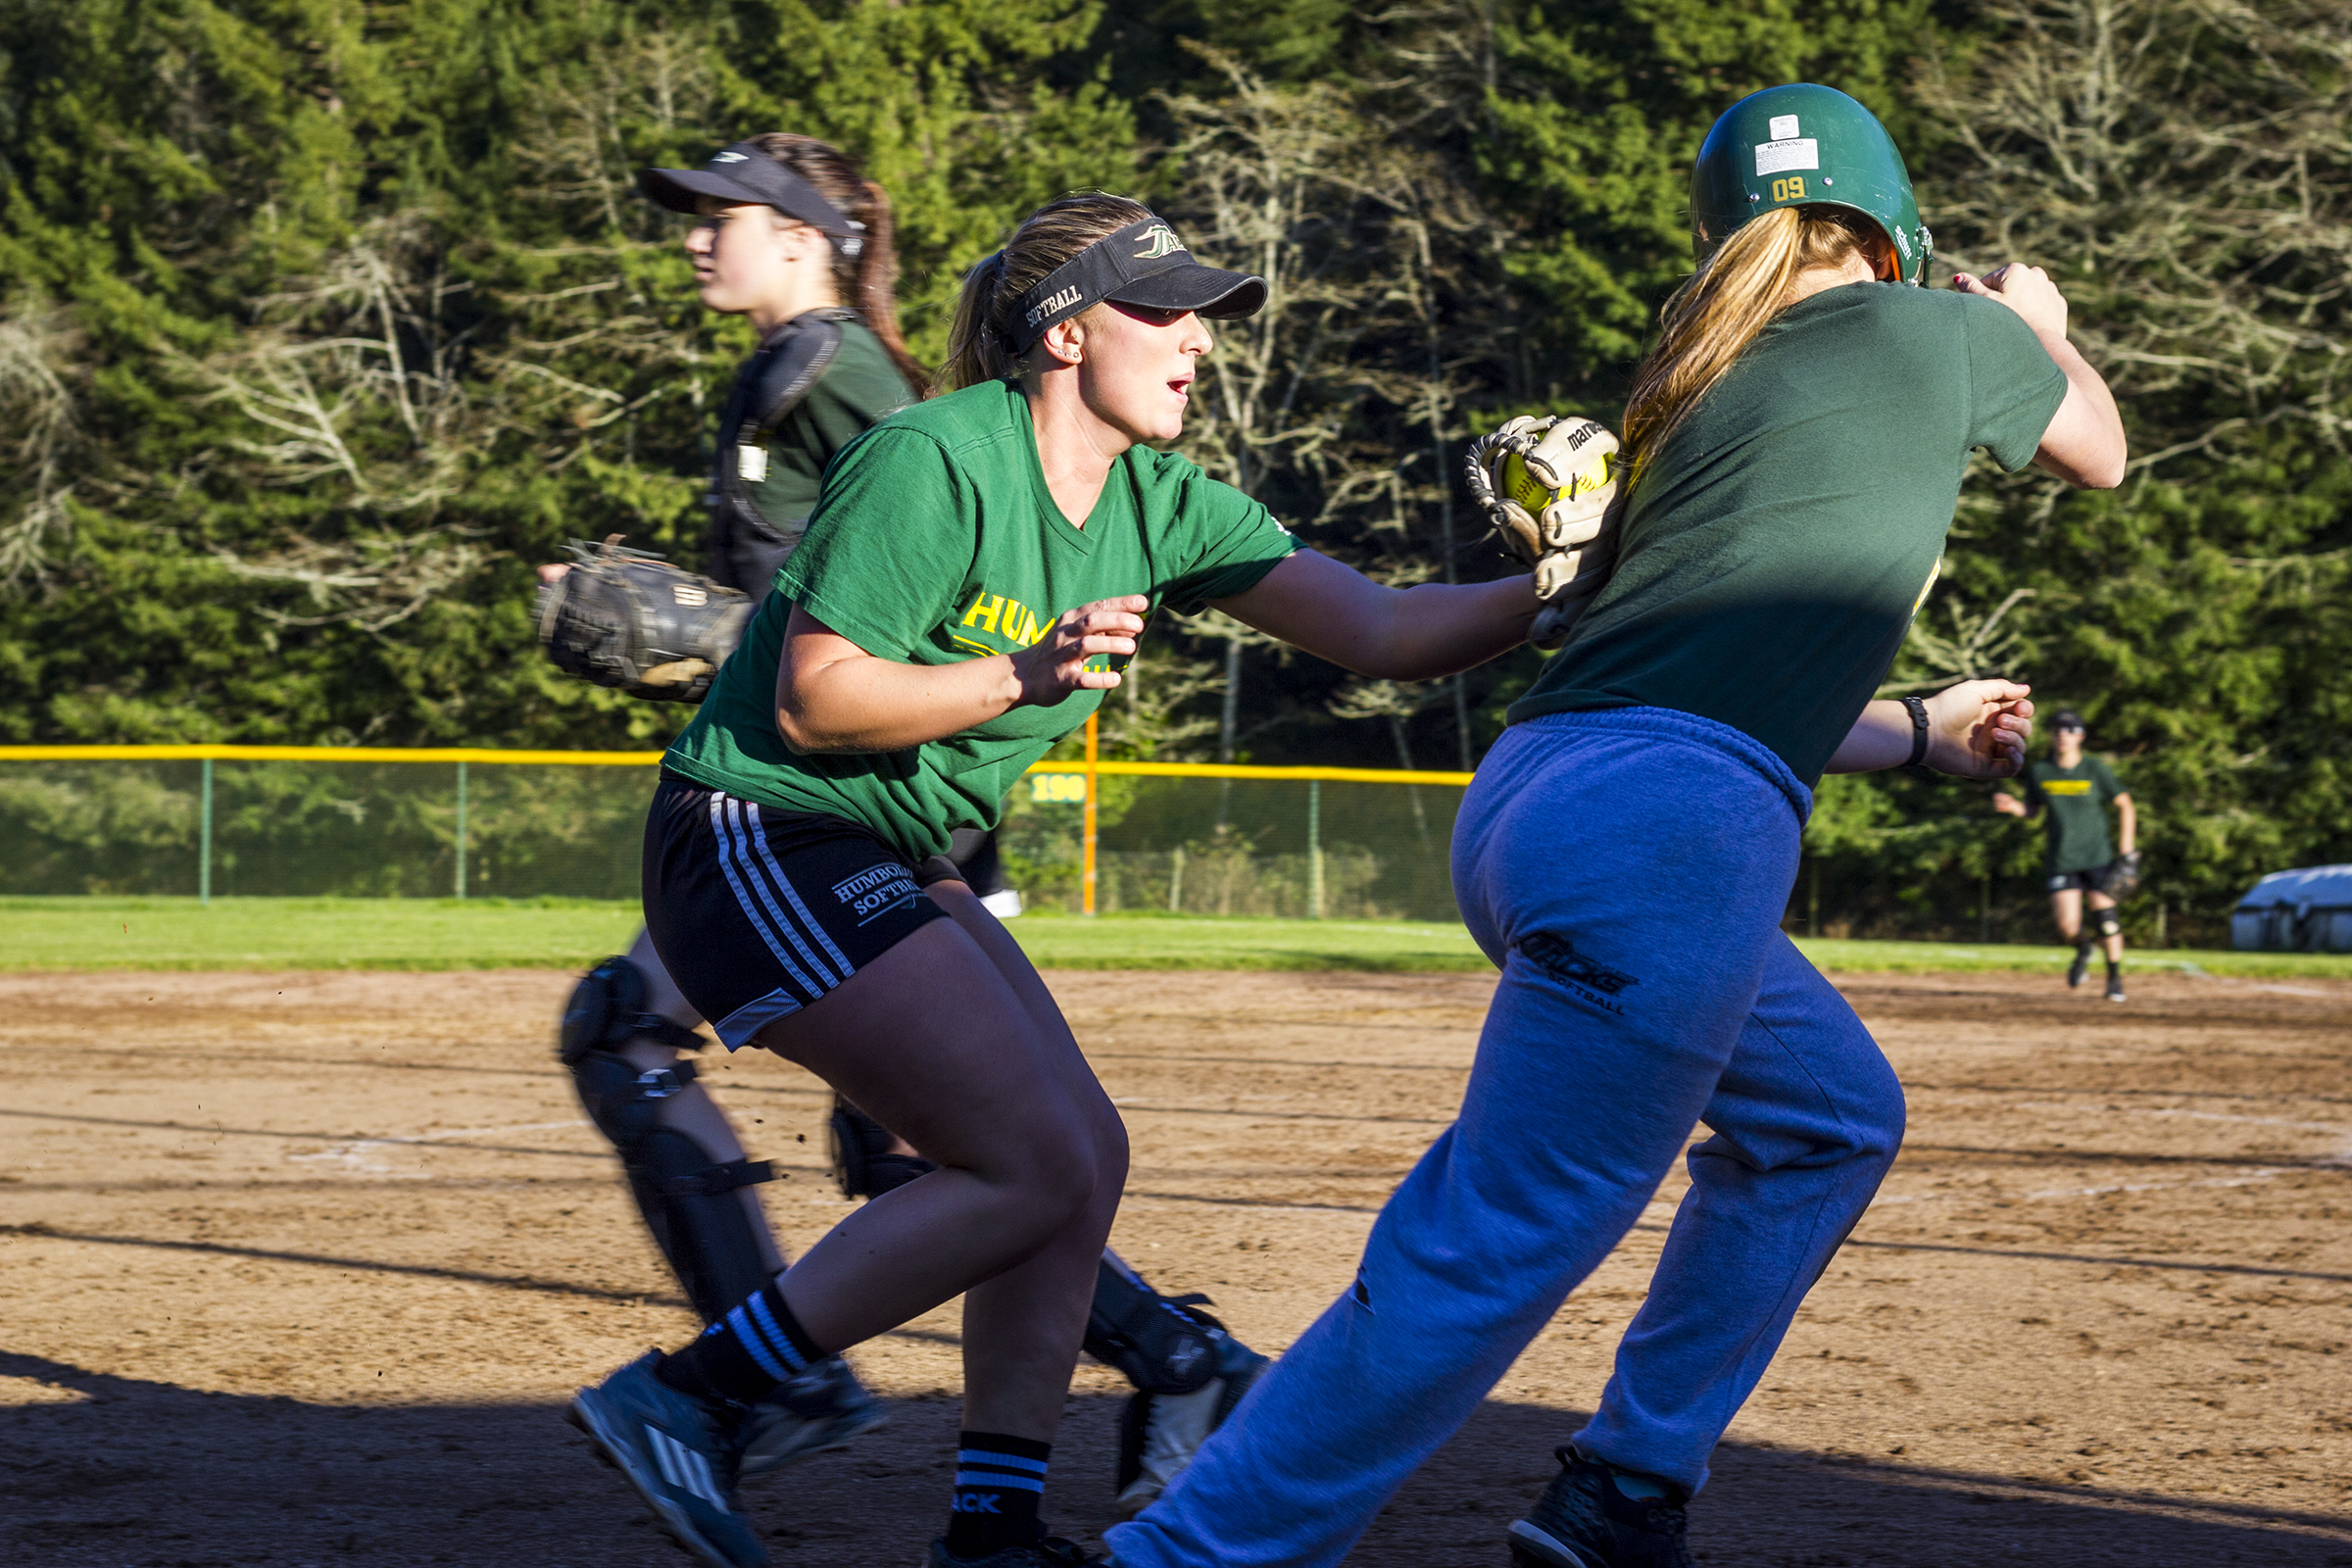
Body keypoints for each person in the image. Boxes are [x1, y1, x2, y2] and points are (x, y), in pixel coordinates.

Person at [1102, 82, 2125, 1568]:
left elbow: (1704, 683)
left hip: (1556, 791)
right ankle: (1186, 1556)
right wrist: (2036, 321)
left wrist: (1916, 730)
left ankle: (1626, 1492)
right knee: (1495, 1240)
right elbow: (2099, 449)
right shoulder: (1946, 332)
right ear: (1890, 229)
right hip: (1668, 833)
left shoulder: (1703, 383)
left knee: (1828, 1120)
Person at [563, 187, 1561, 1568]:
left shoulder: (1162, 503)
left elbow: (1385, 631)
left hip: (875, 847)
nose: (1199, 340)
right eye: (1168, 311)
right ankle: (691, 1398)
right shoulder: (935, 456)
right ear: (1066, 331)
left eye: (1202, 318)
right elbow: (813, 700)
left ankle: (993, 1526)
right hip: (757, 831)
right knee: (1025, 1160)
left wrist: (1571, 590)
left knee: (1082, 1159)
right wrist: (1018, 676)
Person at [546, 139, 1261, 1498]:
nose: (698, 237)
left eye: (724, 215)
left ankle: (768, 1382)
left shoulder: (848, 378)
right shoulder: (795, 368)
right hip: (834, 797)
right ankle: (1100, 1396)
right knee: (960, 1149)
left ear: (803, 235)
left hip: (857, 805)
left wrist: (730, 638)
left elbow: (919, 580)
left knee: (928, 1140)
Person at [1992, 708, 2136, 1000]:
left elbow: (2125, 804)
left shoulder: (2094, 769)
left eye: (2070, 730)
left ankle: (2114, 978)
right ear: (2051, 735)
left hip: (2097, 856)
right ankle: (2084, 948)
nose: (2063, 735)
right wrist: (2013, 807)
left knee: (2106, 919)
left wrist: (2127, 851)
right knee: (2067, 927)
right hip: (2061, 859)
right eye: (2058, 729)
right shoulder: (2040, 771)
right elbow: (2033, 811)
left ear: (2081, 736)